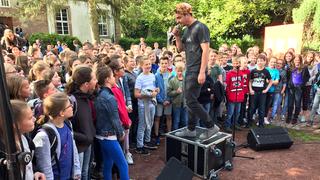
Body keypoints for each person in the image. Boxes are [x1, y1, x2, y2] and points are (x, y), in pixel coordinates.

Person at [172, 2, 219, 139]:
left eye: (179, 18)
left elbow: (206, 51)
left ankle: (211, 126)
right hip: (189, 69)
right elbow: (180, 49)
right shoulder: (186, 30)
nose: (178, 21)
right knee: (191, 100)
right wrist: (177, 36)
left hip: (197, 70)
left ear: (187, 14)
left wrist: (202, 71)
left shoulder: (201, 27)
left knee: (190, 101)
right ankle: (191, 129)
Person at [33, 92, 81, 180]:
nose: (72, 106)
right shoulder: (44, 135)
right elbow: (44, 166)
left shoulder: (68, 124)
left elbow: (73, 148)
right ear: (61, 113)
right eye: (69, 106)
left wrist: (77, 172)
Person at [95, 65, 129, 180]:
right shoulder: (109, 97)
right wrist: (121, 133)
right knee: (123, 165)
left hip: (101, 135)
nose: (114, 78)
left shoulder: (99, 94)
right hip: (109, 136)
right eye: (112, 76)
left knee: (108, 163)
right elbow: (114, 119)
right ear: (107, 80)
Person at [65, 65, 97, 180]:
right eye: (94, 79)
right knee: (80, 174)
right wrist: (83, 137)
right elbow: (66, 126)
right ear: (86, 84)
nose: (96, 80)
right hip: (78, 145)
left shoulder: (87, 97)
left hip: (88, 142)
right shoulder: (72, 100)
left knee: (86, 171)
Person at [0, 100, 46, 180]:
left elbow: (29, 163)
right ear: (15, 125)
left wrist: (36, 172)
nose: (34, 119)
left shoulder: (26, 140)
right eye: (30, 118)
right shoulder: (2, 150)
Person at [134, 57, 159, 154]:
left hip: (152, 103)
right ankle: (139, 146)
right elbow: (136, 94)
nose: (148, 66)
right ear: (141, 66)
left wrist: (156, 91)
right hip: (143, 105)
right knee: (142, 125)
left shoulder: (153, 75)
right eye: (146, 64)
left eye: (149, 64)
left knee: (151, 122)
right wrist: (148, 94)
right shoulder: (139, 78)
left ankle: (147, 141)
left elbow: (155, 88)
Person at [247, 54, 273, 128]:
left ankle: (261, 124)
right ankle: (249, 123)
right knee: (251, 108)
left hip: (262, 93)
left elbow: (271, 81)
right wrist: (250, 89)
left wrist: (266, 90)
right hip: (253, 92)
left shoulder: (266, 71)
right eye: (258, 61)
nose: (259, 62)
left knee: (261, 109)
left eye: (261, 61)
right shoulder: (253, 71)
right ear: (256, 62)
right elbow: (250, 81)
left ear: (265, 62)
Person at [224, 56, 245, 132]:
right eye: (235, 63)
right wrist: (229, 95)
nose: (236, 65)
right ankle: (227, 126)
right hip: (232, 96)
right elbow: (227, 85)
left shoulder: (241, 73)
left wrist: (242, 94)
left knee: (237, 112)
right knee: (230, 113)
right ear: (232, 64)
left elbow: (242, 85)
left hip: (239, 96)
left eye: (238, 63)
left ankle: (235, 124)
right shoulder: (229, 74)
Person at [168, 62, 187, 130]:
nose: (180, 73)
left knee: (185, 121)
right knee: (176, 120)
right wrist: (176, 92)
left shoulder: (186, 80)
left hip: (185, 104)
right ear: (175, 70)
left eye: (181, 71)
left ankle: (185, 135)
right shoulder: (172, 80)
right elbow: (169, 92)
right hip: (176, 104)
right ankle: (175, 137)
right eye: (178, 71)